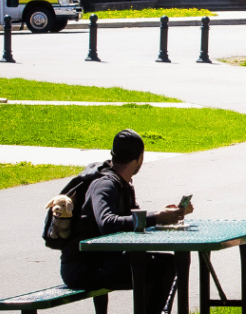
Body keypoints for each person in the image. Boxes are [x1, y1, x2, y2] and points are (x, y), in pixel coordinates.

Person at [60, 130, 189, 314]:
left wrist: (165, 215)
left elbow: (133, 220)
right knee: (160, 269)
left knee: (169, 262)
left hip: (101, 261)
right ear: (139, 159)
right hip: (83, 267)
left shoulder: (123, 184)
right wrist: (156, 217)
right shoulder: (104, 184)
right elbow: (108, 223)